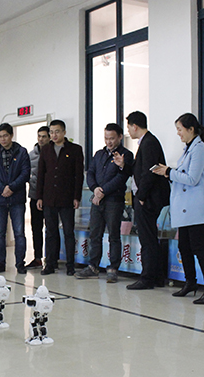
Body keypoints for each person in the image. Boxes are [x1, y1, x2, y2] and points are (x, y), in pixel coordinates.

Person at [151, 113, 204, 305]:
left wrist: (169, 172)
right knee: (184, 247)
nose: (178, 133)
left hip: (196, 208)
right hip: (186, 208)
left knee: (199, 248)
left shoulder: (199, 149)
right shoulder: (188, 149)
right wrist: (168, 172)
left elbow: (192, 179)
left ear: (191, 129)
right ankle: (191, 282)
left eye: (180, 129)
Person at [115, 111, 170, 289]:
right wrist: (124, 165)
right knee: (149, 237)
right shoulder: (145, 142)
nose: (128, 131)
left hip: (148, 199)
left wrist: (141, 196)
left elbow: (150, 172)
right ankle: (156, 276)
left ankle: (148, 278)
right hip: (146, 197)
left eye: (129, 127)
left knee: (147, 239)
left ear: (135, 126)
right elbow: (139, 170)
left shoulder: (149, 143)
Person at [76, 123, 133, 283]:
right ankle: (93, 266)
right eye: (106, 138)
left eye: (112, 138)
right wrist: (95, 189)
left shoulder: (126, 155)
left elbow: (122, 177)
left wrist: (103, 191)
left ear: (120, 137)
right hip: (97, 201)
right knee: (95, 234)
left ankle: (113, 268)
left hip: (114, 201)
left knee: (114, 236)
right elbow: (90, 173)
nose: (109, 142)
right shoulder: (99, 154)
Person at [37, 120, 85, 276]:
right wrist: (39, 196)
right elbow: (41, 174)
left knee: (68, 232)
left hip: (67, 198)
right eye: (51, 132)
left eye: (57, 131)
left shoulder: (75, 149)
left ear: (64, 132)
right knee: (50, 232)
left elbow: (79, 176)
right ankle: (50, 263)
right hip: (49, 197)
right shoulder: (46, 150)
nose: (54, 135)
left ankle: (70, 265)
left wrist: (77, 196)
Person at [0, 123, 31, 274]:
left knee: (19, 233)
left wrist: (12, 187)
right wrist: (2, 188)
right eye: (0, 136)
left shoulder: (21, 152)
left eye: (5, 136)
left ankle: (20, 263)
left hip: (17, 198)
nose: (2, 139)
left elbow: (25, 173)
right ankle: (0, 263)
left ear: (11, 136)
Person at [26, 126, 50, 269]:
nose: (41, 139)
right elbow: (26, 173)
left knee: (51, 229)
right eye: (39, 136)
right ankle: (37, 258)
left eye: (44, 136)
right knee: (36, 228)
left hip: (51, 198)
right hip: (35, 196)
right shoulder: (31, 155)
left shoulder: (53, 153)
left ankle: (52, 258)